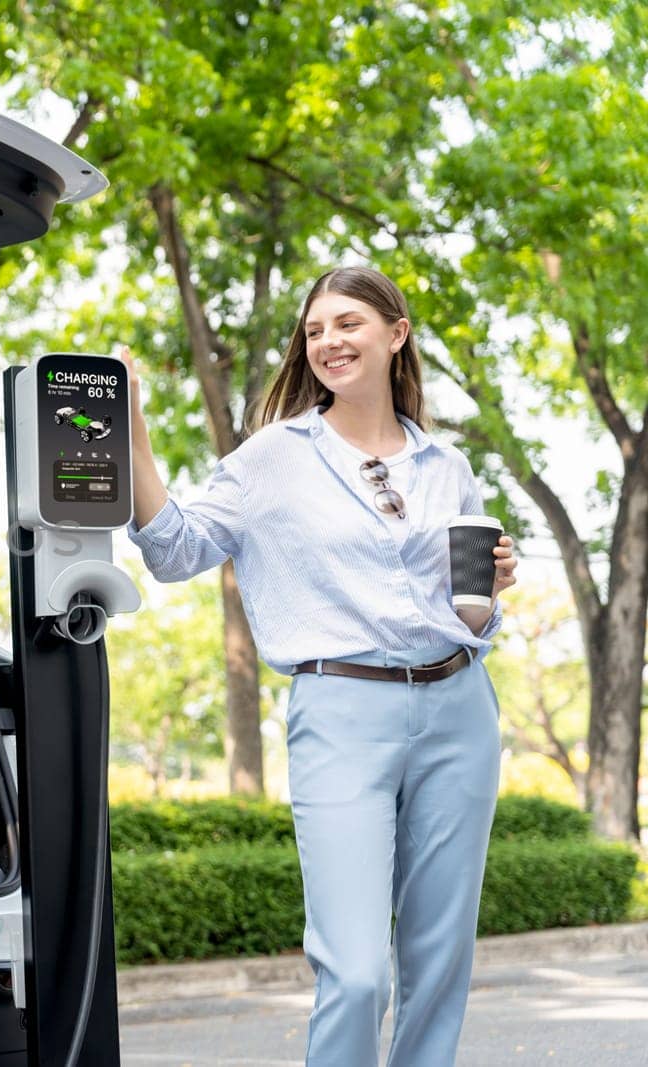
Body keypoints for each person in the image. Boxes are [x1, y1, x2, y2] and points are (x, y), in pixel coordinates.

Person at [121, 266, 518, 1066]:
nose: (329, 341)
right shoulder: (275, 458)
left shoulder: (448, 467)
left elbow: (468, 614)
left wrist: (491, 586)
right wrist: (132, 427)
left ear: (396, 333)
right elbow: (173, 549)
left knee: (441, 961)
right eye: (314, 330)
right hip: (342, 709)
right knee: (358, 969)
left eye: (349, 324)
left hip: (459, 706)